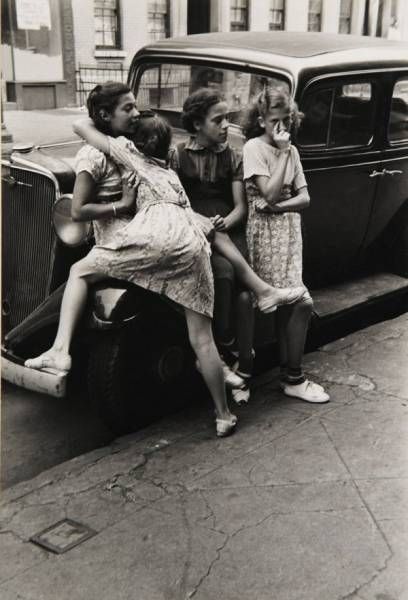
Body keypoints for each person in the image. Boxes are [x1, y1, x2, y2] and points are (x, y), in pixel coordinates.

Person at [25, 84, 301, 437]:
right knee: (202, 338)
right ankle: (223, 413)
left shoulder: (128, 154)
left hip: (152, 240)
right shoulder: (169, 171)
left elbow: (81, 128)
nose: (135, 113)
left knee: (79, 270)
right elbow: (196, 220)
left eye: (134, 110)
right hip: (191, 243)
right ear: (167, 149)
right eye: (129, 107)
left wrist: (102, 120)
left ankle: (60, 349)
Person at [169, 88, 258, 404]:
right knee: (220, 272)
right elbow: (175, 201)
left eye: (227, 119)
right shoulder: (177, 155)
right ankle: (221, 346)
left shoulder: (232, 155)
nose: (225, 126)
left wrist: (226, 222)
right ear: (197, 124)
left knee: (238, 282)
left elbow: (240, 207)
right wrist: (200, 222)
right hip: (193, 227)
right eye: (218, 120)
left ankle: (238, 354)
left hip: (227, 228)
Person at [242, 87, 330, 403]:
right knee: (294, 302)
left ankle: (290, 376)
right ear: (260, 120)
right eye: (273, 121)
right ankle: (273, 375)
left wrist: (278, 207)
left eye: (286, 121)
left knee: (295, 305)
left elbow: (304, 198)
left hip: (288, 232)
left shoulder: (292, 150)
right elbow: (268, 191)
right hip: (264, 234)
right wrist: (281, 154)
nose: (281, 128)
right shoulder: (254, 148)